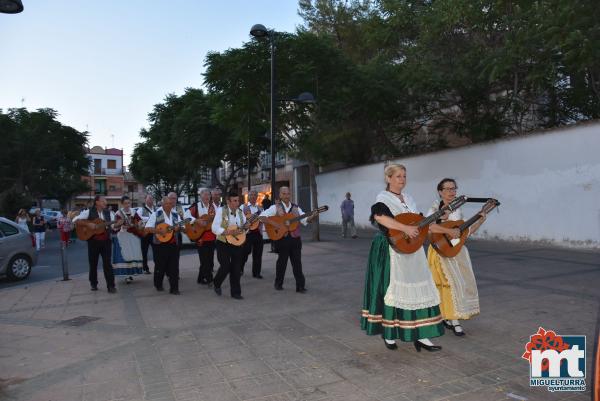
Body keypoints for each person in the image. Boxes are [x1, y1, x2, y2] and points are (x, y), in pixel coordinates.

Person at [360, 164, 459, 352]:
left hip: (413, 250)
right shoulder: (383, 199)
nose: (402, 179)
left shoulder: (409, 199)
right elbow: (379, 217)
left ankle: (421, 335)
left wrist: (447, 229)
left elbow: (424, 225)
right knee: (392, 290)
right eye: (398, 176)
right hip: (391, 249)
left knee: (419, 290)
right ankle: (388, 334)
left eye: (404, 176)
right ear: (388, 178)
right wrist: (405, 228)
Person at [426, 178, 486, 336]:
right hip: (440, 251)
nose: (452, 192)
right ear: (440, 191)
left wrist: (480, 221)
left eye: (454, 189)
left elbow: (466, 232)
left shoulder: (458, 210)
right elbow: (429, 226)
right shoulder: (435, 207)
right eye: (448, 189)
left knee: (460, 285)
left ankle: (448, 316)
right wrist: (448, 230)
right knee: (448, 284)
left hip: (457, 251)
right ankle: (454, 320)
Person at [260, 186, 314, 293]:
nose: (286, 196)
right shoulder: (275, 208)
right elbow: (261, 217)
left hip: (295, 239)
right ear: (280, 195)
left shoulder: (296, 208)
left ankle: (300, 286)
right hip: (282, 239)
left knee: (297, 263)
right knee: (282, 262)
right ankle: (278, 283)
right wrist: (275, 224)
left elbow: (305, 220)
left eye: (288, 193)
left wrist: (313, 216)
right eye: (284, 194)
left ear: (290, 195)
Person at [73, 196, 117, 293]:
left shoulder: (109, 213)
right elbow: (75, 220)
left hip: (106, 241)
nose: (106, 202)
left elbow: (113, 226)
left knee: (107, 263)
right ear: (97, 202)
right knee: (93, 263)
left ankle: (111, 286)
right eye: (103, 201)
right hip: (93, 241)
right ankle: (93, 283)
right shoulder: (88, 212)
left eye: (105, 200)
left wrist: (119, 224)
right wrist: (88, 224)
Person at [211, 190, 247, 300]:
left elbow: (244, 228)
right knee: (225, 266)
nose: (237, 203)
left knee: (236, 268)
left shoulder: (241, 212)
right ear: (228, 201)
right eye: (234, 201)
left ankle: (236, 293)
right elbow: (214, 228)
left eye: (238, 201)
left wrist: (246, 227)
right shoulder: (221, 211)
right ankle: (216, 283)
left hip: (237, 243)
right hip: (223, 243)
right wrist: (229, 232)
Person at [144, 196, 183, 294]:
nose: (169, 205)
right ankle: (158, 284)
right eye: (167, 204)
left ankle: (174, 289)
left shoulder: (175, 214)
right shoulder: (156, 214)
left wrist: (179, 228)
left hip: (173, 244)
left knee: (174, 267)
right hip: (160, 245)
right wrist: (159, 231)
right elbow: (147, 228)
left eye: (170, 203)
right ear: (162, 204)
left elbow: (181, 226)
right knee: (160, 266)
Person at [186, 188, 216, 284]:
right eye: (205, 195)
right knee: (204, 260)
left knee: (209, 260)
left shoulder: (213, 206)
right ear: (201, 196)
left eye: (208, 195)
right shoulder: (196, 206)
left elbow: (219, 218)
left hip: (211, 237)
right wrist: (197, 220)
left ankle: (200, 278)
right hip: (200, 237)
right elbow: (186, 216)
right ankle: (210, 280)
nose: (207, 196)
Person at [112, 196, 144, 284]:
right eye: (125, 203)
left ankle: (132, 273)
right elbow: (114, 226)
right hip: (123, 236)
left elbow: (140, 221)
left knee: (133, 254)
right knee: (125, 255)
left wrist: (139, 225)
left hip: (133, 236)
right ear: (122, 204)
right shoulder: (118, 213)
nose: (127, 205)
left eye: (128, 203)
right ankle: (126, 275)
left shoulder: (134, 212)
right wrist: (121, 225)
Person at [241, 190, 264, 278]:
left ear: (257, 197)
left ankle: (256, 273)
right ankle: (240, 268)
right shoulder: (243, 206)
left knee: (258, 254)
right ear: (248, 196)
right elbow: (239, 218)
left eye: (255, 195)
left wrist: (261, 219)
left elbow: (264, 219)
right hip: (247, 233)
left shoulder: (260, 208)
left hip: (258, 233)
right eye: (251, 195)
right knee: (245, 252)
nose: (253, 196)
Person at [137, 194, 156, 274]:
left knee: (156, 251)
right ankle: (145, 268)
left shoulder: (156, 209)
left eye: (151, 199)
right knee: (144, 251)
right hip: (145, 233)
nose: (150, 200)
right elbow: (137, 220)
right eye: (149, 199)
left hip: (154, 233)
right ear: (145, 200)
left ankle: (158, 267)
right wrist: (148, 219)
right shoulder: (140, 210)